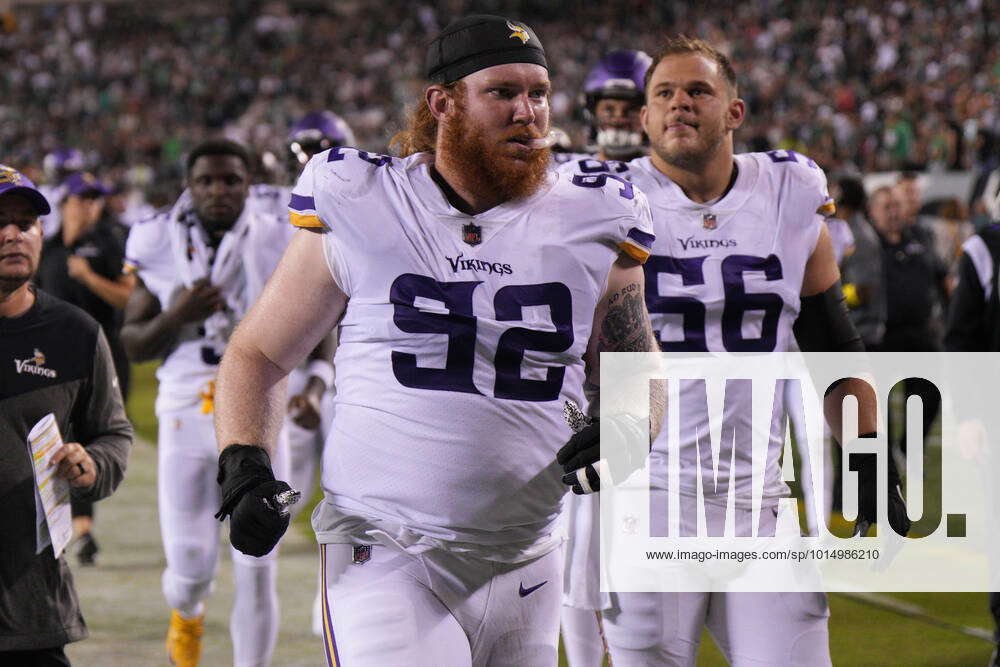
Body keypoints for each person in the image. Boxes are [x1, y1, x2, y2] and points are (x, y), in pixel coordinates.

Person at [211, 14, 662, 666]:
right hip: (388, 547)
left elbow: (637, 359)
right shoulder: (364, 197)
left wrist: (629, 421)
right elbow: (260, 352)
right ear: (442, 103)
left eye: (539, 92)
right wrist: (243, 461)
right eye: (503, 92)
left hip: (531, 557)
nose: (528, 112)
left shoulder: (597, 210)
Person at [558, 36, 909, 665]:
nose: (680, 104)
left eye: (699, 91)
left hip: (761, 500)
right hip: (648, 498)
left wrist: (868, 452)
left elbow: (832, 345)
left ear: (734, 112)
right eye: (663, 93)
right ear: (644, 117)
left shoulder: (788, 189)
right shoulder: (599, 200)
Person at [120, 139, 290, 667]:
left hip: (258, 403)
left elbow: (319, 312)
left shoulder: (280, 232)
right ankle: (187, 616)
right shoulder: (156, 241)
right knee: (191, 568)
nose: (219, 191)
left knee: (259, 559)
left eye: (231, 181)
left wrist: (317, 378)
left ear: (248, 185)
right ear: (188, 188)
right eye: (207, 181)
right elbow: (133, 343)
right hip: (183, 402)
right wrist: (177, 315)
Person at [0, 164, 132, 665]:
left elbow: (112, 432)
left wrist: (93, 465)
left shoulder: (74, 333)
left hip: (32, 609)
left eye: (26, 222)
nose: (14, 234)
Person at [36, 171, 136, 566]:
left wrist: (88, 276)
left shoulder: (109, 243)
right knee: (59, 441)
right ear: (65, 203)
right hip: (53, 363)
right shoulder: (47, 249)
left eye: (95, 199)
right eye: (83, 198)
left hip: (107, 359)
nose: (91, 206)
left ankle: (78, 525)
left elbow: (127, 299)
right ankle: (80, 530)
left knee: (94, 439)